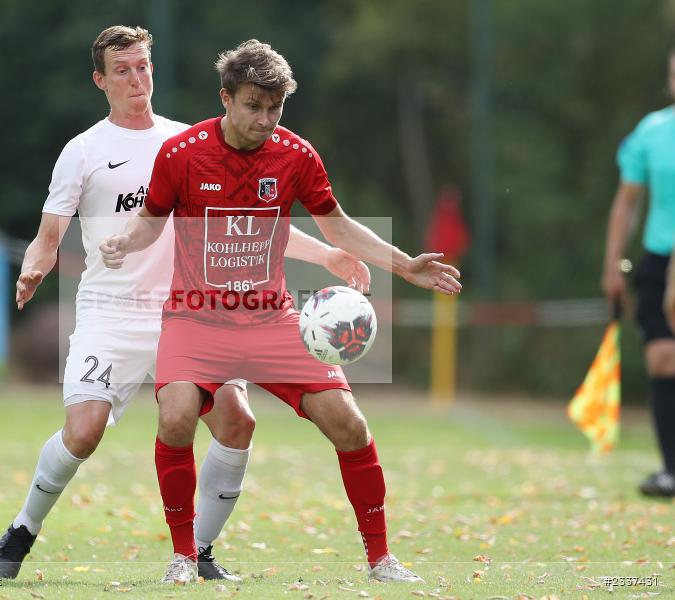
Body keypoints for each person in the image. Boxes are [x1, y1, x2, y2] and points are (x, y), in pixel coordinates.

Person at [0, 26, 374, 581]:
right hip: (112, 311)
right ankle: (23, 529)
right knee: (84, 431)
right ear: (100, 81)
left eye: (142, 65)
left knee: (237, 422)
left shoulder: (188, 141)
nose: (136, 77)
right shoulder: (84, 151)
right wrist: (33, 267)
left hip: (191, 313)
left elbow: (248, 225)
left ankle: (200, 552)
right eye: (122, 70)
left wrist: (327, 256)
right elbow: (49, 236)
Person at [100, 39, 461, 584]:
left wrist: (405, 265)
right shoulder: (182, 153)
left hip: (272, 319)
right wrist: (126, 241)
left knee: (350, 425)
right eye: (253, 105)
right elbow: (151, 219)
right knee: (175, 417)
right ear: (226, 98)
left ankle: (382, 559)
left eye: (275, 107)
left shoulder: (295, 155)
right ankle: (183, 556)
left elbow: (336, 225)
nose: (265, 119)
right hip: (196, 319)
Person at [603, 48, 675, 499]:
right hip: (658, 256)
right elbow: (628, 202)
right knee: (662, 359)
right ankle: (671, 470)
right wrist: (613, 261)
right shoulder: (650, 131)